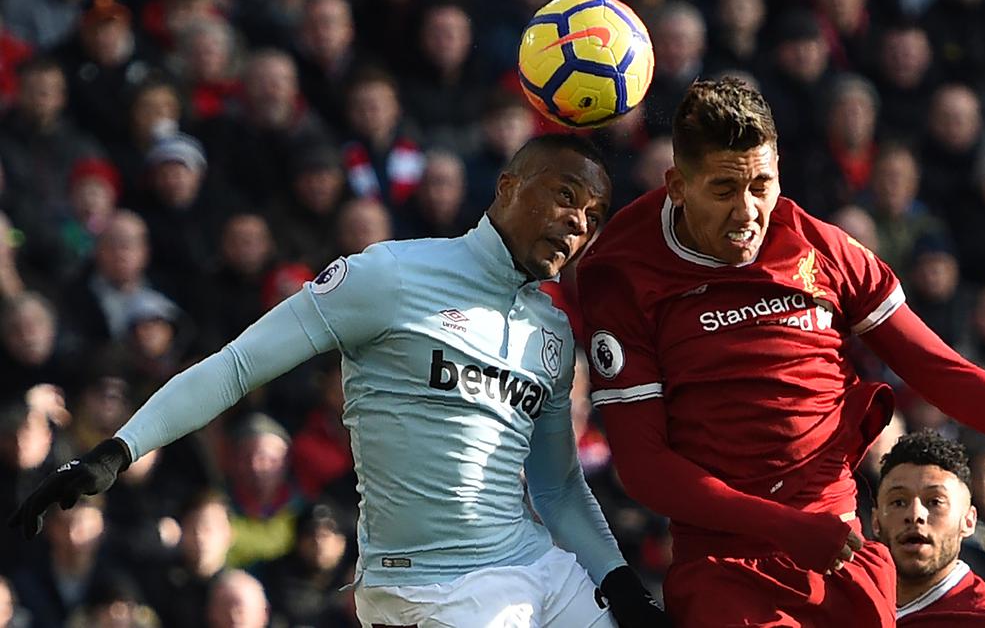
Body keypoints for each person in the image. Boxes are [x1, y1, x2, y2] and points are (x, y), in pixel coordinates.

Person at [11, 134, 668, 628]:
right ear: (506, 187)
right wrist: (117, 451)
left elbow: (557, 488)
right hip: (429, 589)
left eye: (593, 215)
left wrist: (623, 587)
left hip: (536, 566)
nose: (578, 223)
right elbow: (236, 366)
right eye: (564, 196)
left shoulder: (549, 333)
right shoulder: (390, 276)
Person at [576, 77, 985, 626]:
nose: (748, 212)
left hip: (841, 550)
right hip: (727, 566)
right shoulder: (625, 273)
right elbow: (645, 468)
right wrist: (783, 527)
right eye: (724, 190)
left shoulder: (821, 249)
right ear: (678, 185)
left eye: (762, 186)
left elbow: (942, 373)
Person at [873, 431, 985, 627]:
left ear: (968, 521)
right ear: (875, 521)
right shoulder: (848, 605)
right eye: (898, 502)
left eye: (935, 502)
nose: (915, 514)